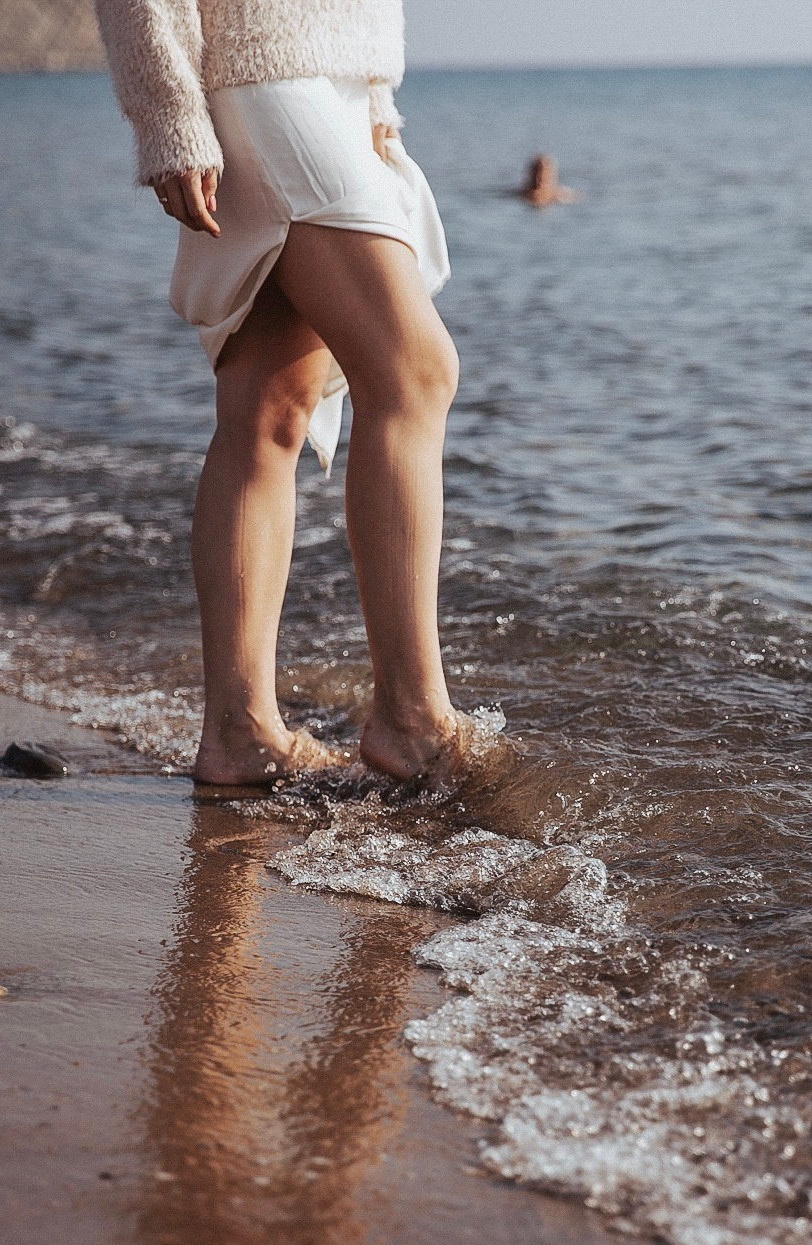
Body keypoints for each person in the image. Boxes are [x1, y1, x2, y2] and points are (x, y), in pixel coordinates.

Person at [94, 0, 466, 788]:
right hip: (258, 73)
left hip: (335, 77)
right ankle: (414, 719)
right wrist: (169, 116)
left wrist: (374, 96)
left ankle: (240, 731)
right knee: (414, 372)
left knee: (270, 408)